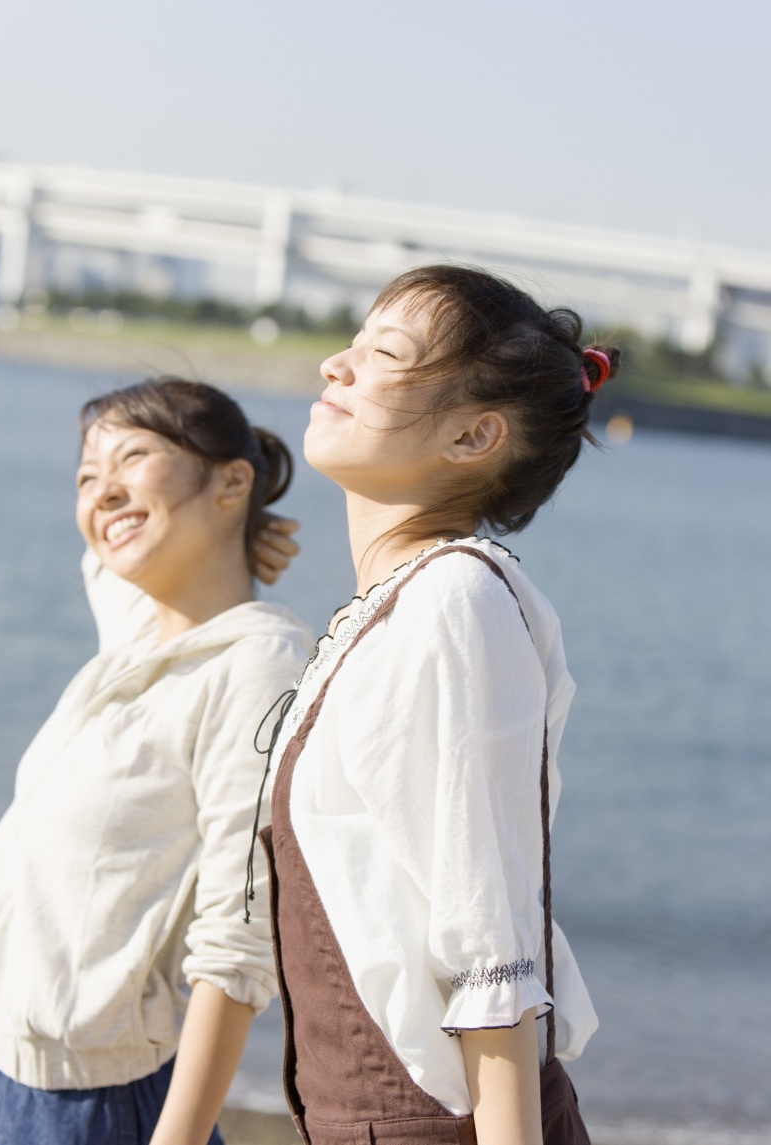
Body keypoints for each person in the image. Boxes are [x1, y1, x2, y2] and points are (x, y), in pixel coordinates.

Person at [257, 266, 612, 1145]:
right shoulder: (391, 607)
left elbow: (489, 941)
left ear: (472, 435)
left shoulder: (456, 600)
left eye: (383, 352)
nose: (337, 364)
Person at [0, 377, 311, 1145]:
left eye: (134, 455)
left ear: (232, 480)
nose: (102, 488)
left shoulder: (256, 667)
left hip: (85, 1106)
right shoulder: (141, 633)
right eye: (85, 475)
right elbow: (109, 548)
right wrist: (226, 527)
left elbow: (237, 939)